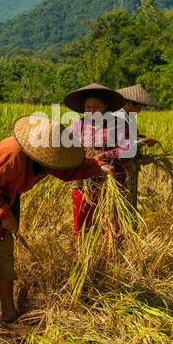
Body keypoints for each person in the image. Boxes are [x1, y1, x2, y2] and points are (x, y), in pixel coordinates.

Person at [0, 115, 113, 323]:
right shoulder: (10, 156)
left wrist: (97, 166)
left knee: (4, 256)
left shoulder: (51, 155)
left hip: (6, 196)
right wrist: (4, 216)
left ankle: (9, 311)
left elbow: (70, 169)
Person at [64, 83, 132, 237]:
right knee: (81, 225)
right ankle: (81, 256)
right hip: (84, 183)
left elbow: (128, 149)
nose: (92, 111)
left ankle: (111, 258)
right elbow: (66, 148)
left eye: (96, 107)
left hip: (111, 181)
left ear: (106, 105)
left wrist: (102, 157)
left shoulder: (118, 124)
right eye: (88, 107)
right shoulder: (77, 125)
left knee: (111, 225)